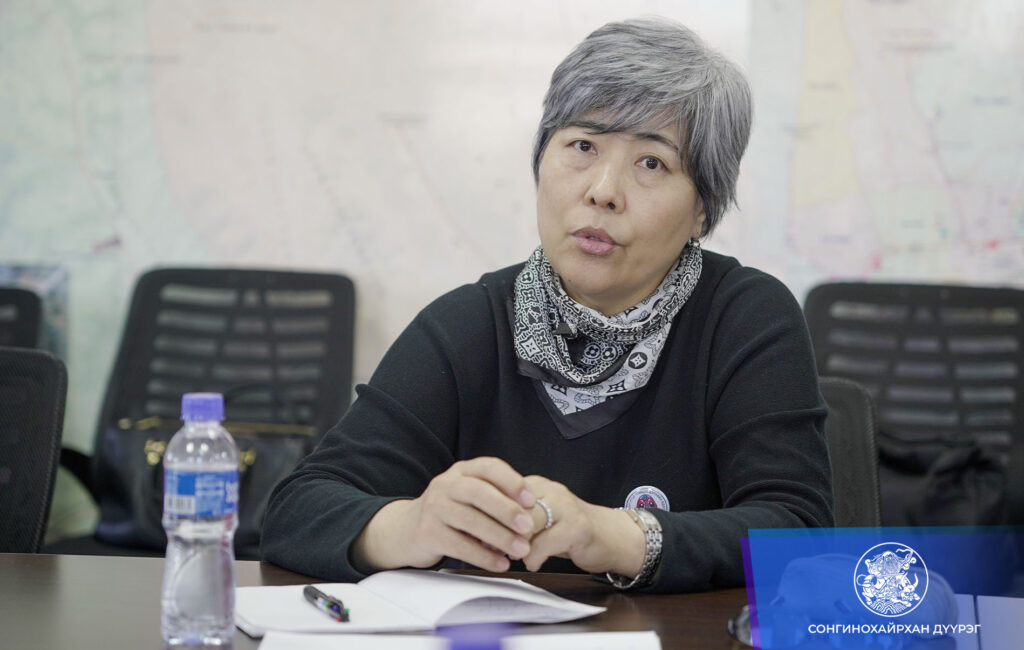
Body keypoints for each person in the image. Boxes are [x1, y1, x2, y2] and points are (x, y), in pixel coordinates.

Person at [261, 17, 833, 593]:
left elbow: (799, 531)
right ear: (541, 160)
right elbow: (297, 510)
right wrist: (410, 525)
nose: (602, 190)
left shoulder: (745, 318)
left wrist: (612, 536)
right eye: (583, 146)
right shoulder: (469, 324)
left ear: (702, 210)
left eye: (651, 162)